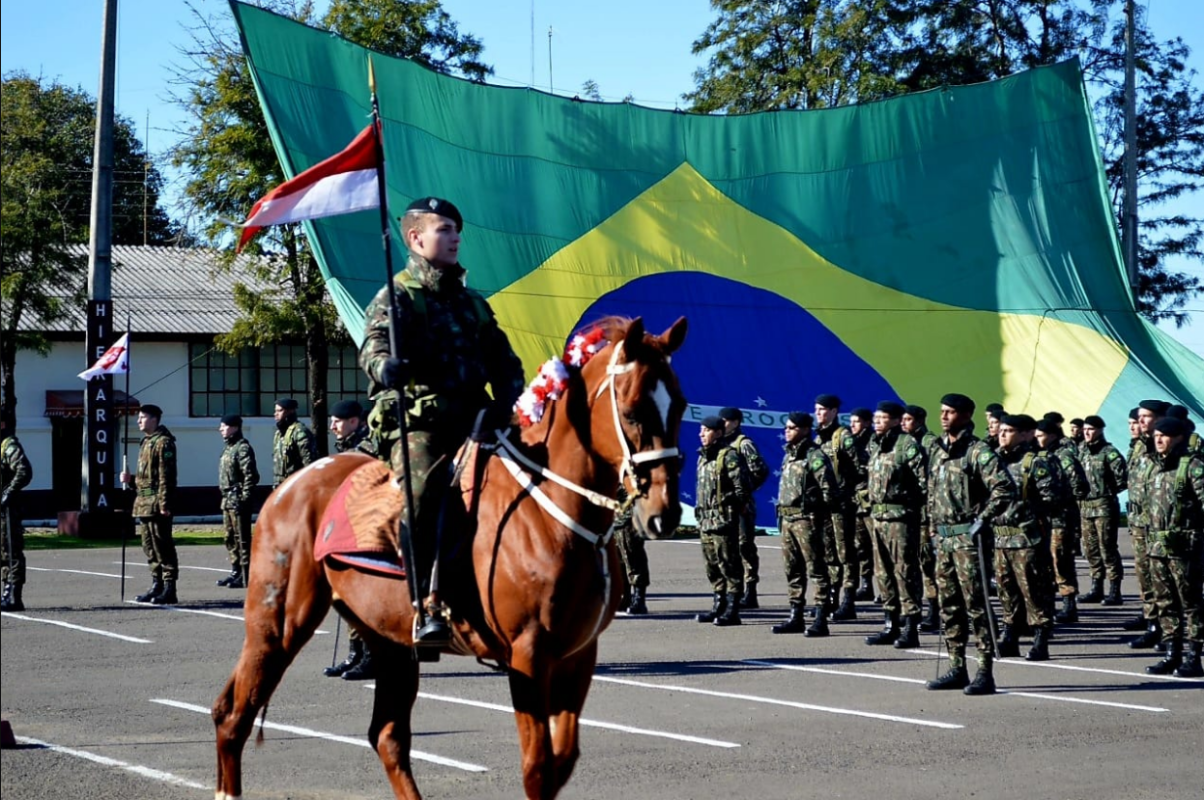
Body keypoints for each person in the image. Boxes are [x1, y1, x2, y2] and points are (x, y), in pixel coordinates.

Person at [360, 196, 526, 645]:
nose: (455, 239)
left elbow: (504, 361)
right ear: (415, 238)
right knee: (423, 493)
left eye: (457, 231)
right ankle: (424, 606)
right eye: (444, 230)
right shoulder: (397, 296)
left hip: (477, 420)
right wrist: (384, 368)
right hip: (421, 424)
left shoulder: (473, 302)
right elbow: (372, 347)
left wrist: (512, 399)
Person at [926, 393, 1017, 696]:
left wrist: (983, 520)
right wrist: (931, 531)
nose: (944, 417)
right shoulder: (938, 451)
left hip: (968, 540)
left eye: (950, 412)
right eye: (942, 411)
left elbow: (1004, 488)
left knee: (976, 606)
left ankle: (984, 670)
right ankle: (956, 667)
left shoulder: (978, 452)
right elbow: (932, 494)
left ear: (966, 416)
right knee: (949, 605)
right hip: (944, 538)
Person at [1141, 417, 1204, 678]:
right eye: (1156, 435)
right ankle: (1172, 653)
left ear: (1178, 437)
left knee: (1191, 604)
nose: (1158, 439)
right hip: (1157, 548)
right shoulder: (1152, 467)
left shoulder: (1192, 467)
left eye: (1164, 435)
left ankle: (1193, 656)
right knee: (1165, 603)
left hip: (1184, 549)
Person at [993, 414, 1058, 661]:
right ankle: (1009, 637)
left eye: (1009, 431)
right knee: (1006, 590)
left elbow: (1053, 499)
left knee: (1033, 590)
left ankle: (1040, 639)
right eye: (1001, 430)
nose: (1002, 435)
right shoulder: (995, 461)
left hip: (1026, 539)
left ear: (1026, 434)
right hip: (1001, 538)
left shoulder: (1035, 463)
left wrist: (1029, 512)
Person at [864, 401, 928, 649]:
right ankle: (890, 625)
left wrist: (919, 513)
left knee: (905, 571)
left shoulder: (907, 445)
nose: (877, 421)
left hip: (901, 519)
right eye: (876, 417)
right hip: (878, 518)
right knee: (883, 573)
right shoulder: (876, 445)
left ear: (894, 420)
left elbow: (924, 483)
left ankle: (911, 627)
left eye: (882, 418)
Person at [323, 399, 379, 679]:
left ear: (354, 421)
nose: (333, 425)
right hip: (351, 524)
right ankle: (355, 653)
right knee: (344, 595)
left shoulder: (366, 447)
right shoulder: (348, 447)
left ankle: (370, 655)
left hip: (369, 525)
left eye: (338, 420)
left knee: (362, 596)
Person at [771, 412, 836, 635]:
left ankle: (820, 618)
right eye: (787, 427)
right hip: (788, 520)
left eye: (792, 428)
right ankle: (795, 615)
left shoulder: (814, 456)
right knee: (793, 569)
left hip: (808, 520)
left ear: (805, 430)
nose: (787, 431)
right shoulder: (789, 456)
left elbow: (828, 489)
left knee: (816, 568)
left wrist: (820, 517)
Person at [813, 393, 866, 621]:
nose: (818, 414)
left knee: (847, 552)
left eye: (823, 410)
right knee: (828, 552)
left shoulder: (842, 437)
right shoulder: (818, 440)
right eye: (816, 409)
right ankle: (832, 597)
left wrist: (849, 493)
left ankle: (848, 599)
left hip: (842, 506)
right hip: (823, 507)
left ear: (834, 412)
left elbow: (861, 467)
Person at [120, 405, 179, 605]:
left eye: (142, 417)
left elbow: (166, 476)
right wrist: (130, 480)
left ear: (154, 419)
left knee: (163, 545)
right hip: (144, 502)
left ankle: (170, 588)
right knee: (149, 547)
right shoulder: (146, 442)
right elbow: (146, 478)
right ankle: (157, 584)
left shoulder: (163, 443)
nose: (138, 421)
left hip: (156, 503)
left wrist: (164, 503)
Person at [694, 415, 750, 627]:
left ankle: (733, 608)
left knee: (730, 565)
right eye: (701, 430)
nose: (701, 434)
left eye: (706, 430)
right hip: (706, 522)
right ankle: (718, 604)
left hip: (723, 522)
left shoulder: (729, 456)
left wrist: (728, 507)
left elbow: (742, 488)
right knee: (712, 566)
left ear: (718, 433)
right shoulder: (703, 457)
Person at [1035, 418, 1088, 623]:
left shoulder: (1063, 456)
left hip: (1060, 518)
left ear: (1053, 435)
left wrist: (1062, 499)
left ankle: (1069, 604)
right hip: (1045, 519)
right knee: (1046, 562)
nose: (1037, 439)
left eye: (1041, 435)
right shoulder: (1042, 455)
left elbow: (1079, 485)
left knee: (1061, 561)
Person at [719, 407, 769, 609]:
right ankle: (732, 590)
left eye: (727, 420)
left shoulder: (744, 444)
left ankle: (750, 590)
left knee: (744, 546)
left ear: (736, 422)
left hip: (742, 506)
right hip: (724, 506)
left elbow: (760, 470)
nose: (723, 424)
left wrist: (744, 491)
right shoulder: (721, 444)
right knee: (726, 548)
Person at [903, 404, 942, 631]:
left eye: (908, 419)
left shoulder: (929, 443)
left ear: (919, 420)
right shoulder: (903, 443)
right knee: (911, 563)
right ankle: (912, 609)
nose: (903, 423)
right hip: (909, 513)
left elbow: (932, 480)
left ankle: (934, 610)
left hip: (925, 513)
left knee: (928, 563)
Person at [217, 414, 259, 589]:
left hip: (238, 500)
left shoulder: (242, 448)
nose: (221, 429)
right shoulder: (228, 448)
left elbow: (251, 475)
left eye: (224, 426)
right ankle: (235, 571)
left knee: (242, 539)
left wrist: (244, 497)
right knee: (230, 538)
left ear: (235, 427)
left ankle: (246, 573)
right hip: (227, 499)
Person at [1, 406, 34, 611]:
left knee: (10, 551)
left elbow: (24, 470)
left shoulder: (9, 445)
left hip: (7, 509)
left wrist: (8, 492)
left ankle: (14, 595)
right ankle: (7, 590)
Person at [848, 407, 876, 601]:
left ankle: (886, 588)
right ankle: (866, 584)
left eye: (856, 422)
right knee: (861, 546)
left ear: (867, 423)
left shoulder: (873, 442)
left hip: (872, 503)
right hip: (857, 502)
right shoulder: (852, 442)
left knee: (878, 546)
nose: (852, 426)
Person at [613, 487, 651, 616]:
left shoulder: (629, 469)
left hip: (630, 518)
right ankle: (626, 597)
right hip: (615, 519)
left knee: (633, 557)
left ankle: (639, 599)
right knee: (619, 561)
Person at [272, 398, 317, 488]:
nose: (275, 414)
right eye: (275, 411)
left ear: (290, 411)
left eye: (279, 411)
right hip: (280, 486)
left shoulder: (299, 432)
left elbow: (309, 462)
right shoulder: (279, 433)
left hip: (296, 486)